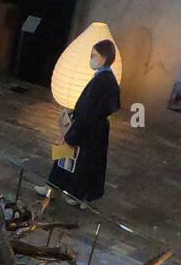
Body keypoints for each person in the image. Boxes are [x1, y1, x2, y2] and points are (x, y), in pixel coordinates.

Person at [39, 39, 120, 208]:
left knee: (83, 163)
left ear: (104, 57)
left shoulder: (103, 81)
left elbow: (92, 109)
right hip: (91, 127)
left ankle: (75, 194)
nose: (91, 59)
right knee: (71, 158)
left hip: (89, 129)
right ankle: (55, 188)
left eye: (94, 56)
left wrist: (74, 132)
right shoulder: (106, 78)